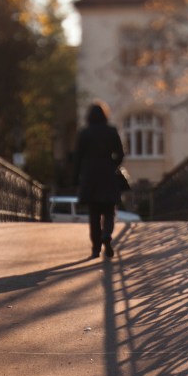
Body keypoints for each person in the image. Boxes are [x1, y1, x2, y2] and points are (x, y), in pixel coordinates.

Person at [74, 101, 125, 259]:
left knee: (94, 214)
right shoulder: (111, 131)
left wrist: (77, 176)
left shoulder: (84, 133)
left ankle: (96, 248)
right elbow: (120, 154)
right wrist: (112, 165)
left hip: (90, 176)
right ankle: (107, 235)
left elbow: (78, 158)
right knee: (109, 211)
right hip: (108, 175)